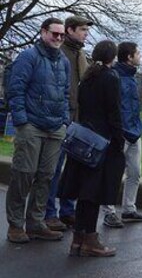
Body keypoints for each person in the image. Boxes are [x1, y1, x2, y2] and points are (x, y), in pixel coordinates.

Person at [4, 18, 71, 244]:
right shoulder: (28, 57)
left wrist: (64, 121)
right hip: (31, 125)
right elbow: (16, 89)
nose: (59, 38)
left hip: (55, 128)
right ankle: (15, 225)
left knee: (46, 176)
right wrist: (22, 121)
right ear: (43, 32)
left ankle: (36, 223)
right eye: (55, 34)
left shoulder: (63, 62)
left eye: (62, 35)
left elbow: (65, 94)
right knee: (24, 173)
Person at [58, 40, 125, 257]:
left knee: (84, 192)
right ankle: (90, 239)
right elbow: (114, 113)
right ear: (111, 57)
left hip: (84, 141)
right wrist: (119, 139)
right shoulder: (110, 78)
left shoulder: (86, 79)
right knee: (94, 194)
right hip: (102, 141)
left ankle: (78, 238)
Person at [45, 15, 93, 231]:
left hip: (77, 118)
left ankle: (66, 210)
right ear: (70, 30)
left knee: (72, 168)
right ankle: (49, 213)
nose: (86, 33)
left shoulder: (80, 54)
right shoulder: (60, 52)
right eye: (82, 29)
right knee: (54, 169)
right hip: (62, 117)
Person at [102, 41, 142, 228]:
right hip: (120, 133)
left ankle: (129, 209)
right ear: (129, 57)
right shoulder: (115, 76)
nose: (140, 56)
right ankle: (109, 212)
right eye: (138, 53)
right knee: (113, 172)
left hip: (134, 131)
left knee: (135, 172)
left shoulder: (131, 76)